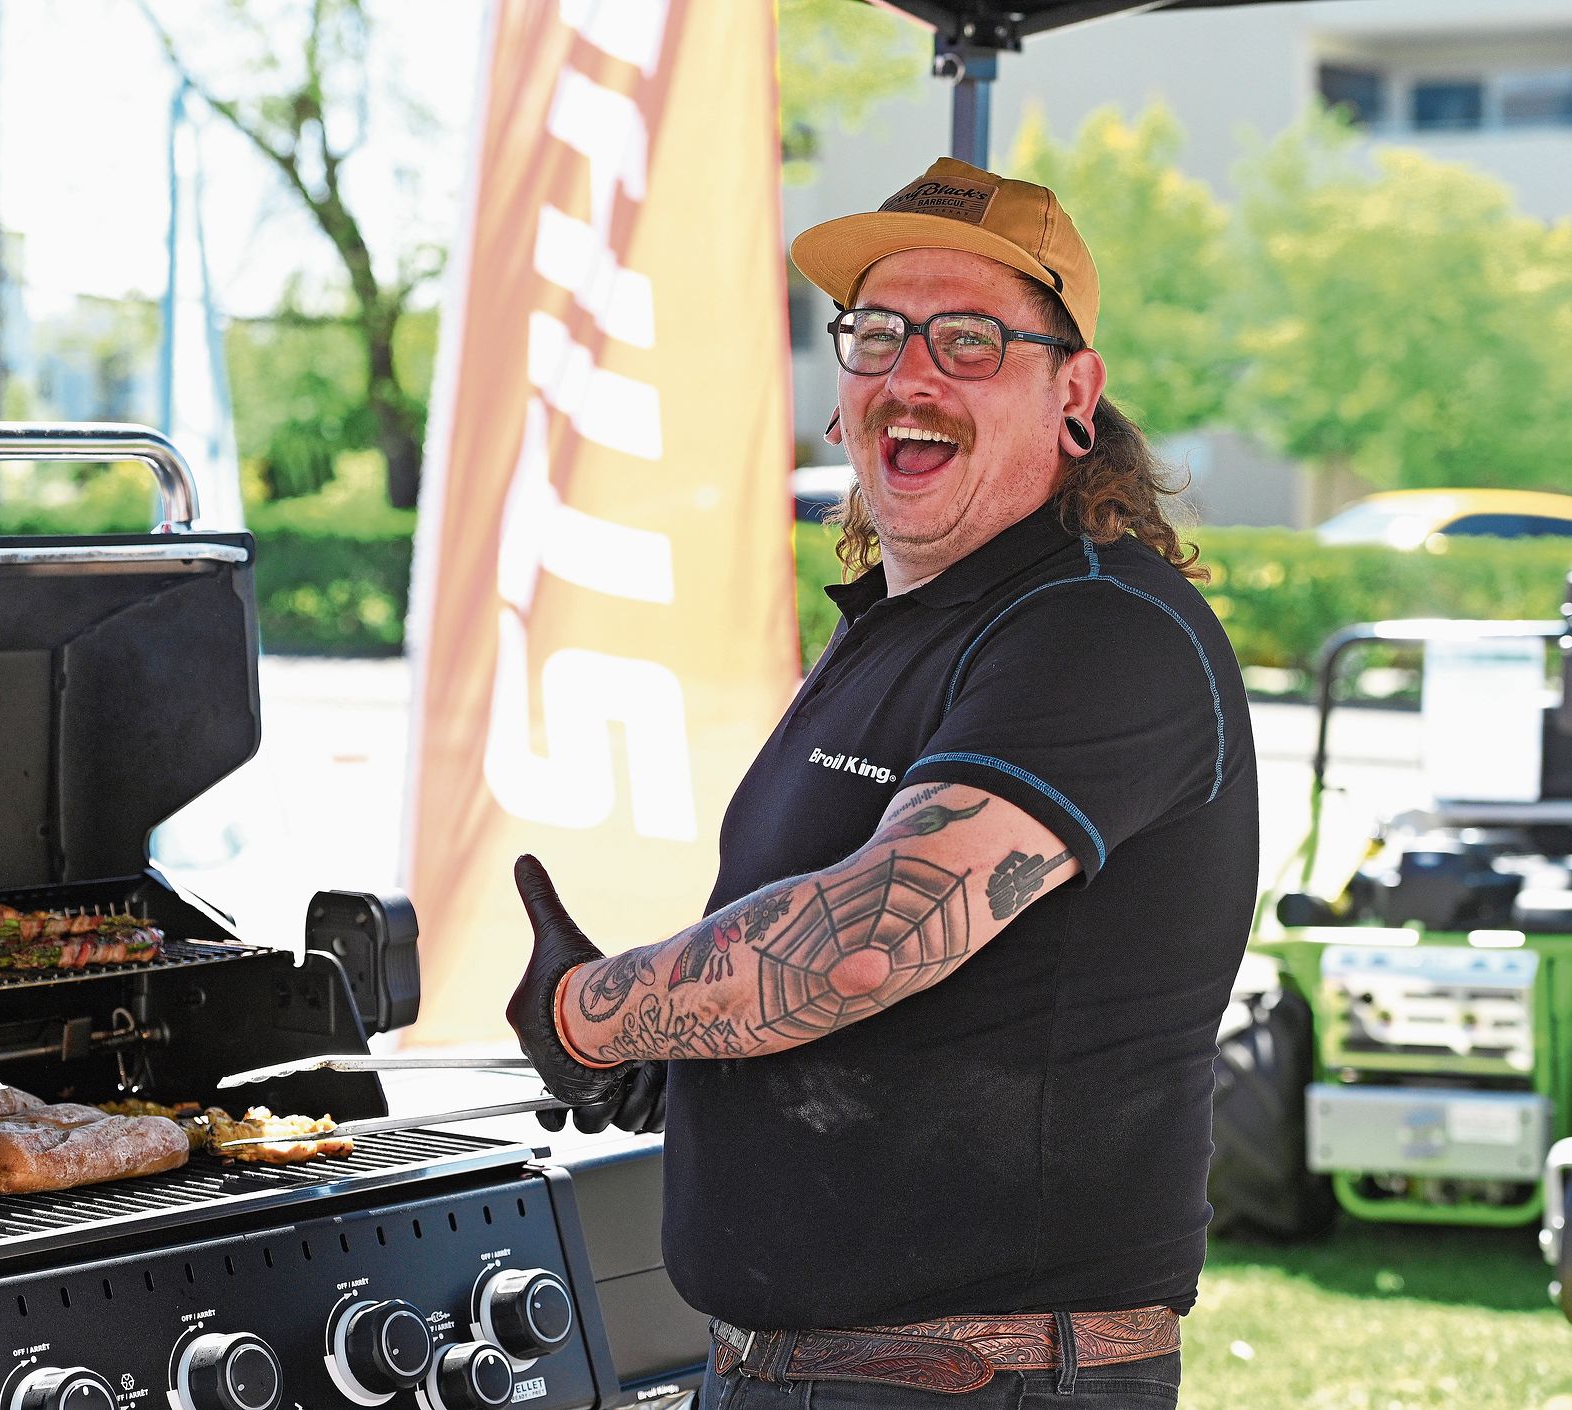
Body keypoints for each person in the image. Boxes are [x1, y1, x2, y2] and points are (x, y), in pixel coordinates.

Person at [507, 156, 1257, 1410]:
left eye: (970, 340)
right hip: (798, 1369)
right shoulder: (905, 624)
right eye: (875, 332)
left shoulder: (1097, 627)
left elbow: (873, 939)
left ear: (1075, 394)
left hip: (972, 1383)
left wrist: (592, 1015)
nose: (910, 373)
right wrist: (692, 1050)